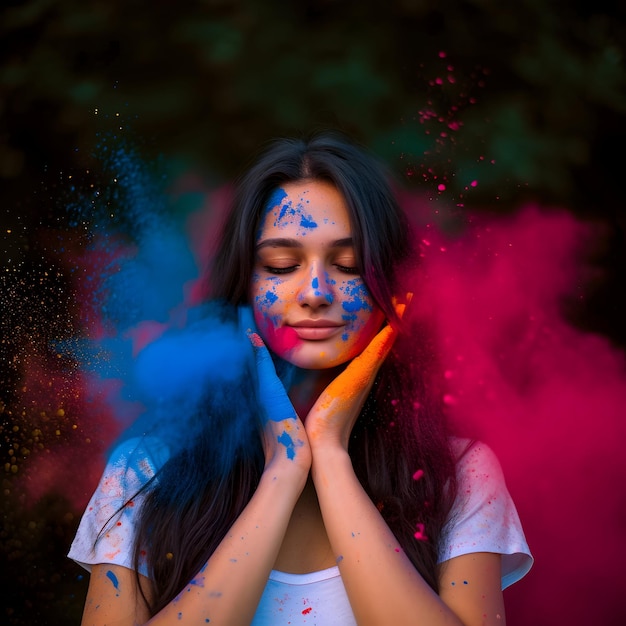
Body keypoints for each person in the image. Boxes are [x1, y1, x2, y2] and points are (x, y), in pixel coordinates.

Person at [68, 130, 533, 625]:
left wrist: (330, 454)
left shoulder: (459, 474)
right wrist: (282, 470)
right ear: (241, 285)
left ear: (393, 291)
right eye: (282, 264)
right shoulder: (145, 474)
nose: (315, 292)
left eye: (349, 265)